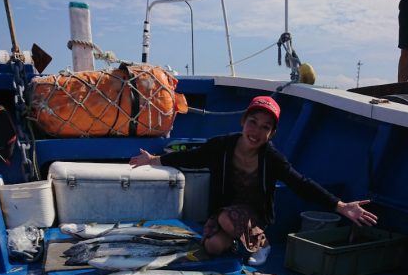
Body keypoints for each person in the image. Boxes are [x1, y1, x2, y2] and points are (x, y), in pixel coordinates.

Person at [130, 95, 377, 266]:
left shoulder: (272, 158)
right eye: (253, 123)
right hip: (224, 211)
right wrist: (154, 159)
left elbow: (300, 182)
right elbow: (192, 157)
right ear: (243, 122)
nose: (256, 131)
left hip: (254, 215)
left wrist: (340, 206)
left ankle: (261, 243)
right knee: (213, 246)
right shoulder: (222, 146)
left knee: (228, 219)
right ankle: (241, 240)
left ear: (272, 134)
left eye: (265, 127)